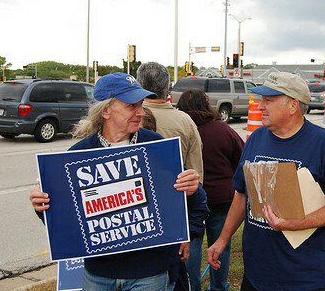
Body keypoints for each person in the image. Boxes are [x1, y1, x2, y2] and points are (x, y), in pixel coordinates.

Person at [29, 73, 204, 291]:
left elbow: (197, 202)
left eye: (140, 105)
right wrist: (42, 205)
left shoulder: (158, 147)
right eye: (132, 106)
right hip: (98, 274)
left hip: (149, 273)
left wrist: (191, 190)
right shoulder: (78, 155)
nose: (141, 112)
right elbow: (64, 219)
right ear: (105, 110)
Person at [206, 71, 325, 290]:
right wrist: (222, 239)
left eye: (268, 101)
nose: (260, 107)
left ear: (293, 105)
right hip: (256, 274)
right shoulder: (256, 139)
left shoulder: (323, 144)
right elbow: (242, 194)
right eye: (261, 101)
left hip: (303, 277)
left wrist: (297, 223)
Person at [177, 89, 245, 291]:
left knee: (191, 248)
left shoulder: (181, 130)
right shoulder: (223, 130)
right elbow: (241, 159)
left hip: (189, 200)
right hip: (221, 199)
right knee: (220, 245)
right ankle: (219, 287)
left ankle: (192, 287)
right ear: (207, 105)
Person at [137, 62, 204, 184]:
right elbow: (195, 174)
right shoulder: (186, 122)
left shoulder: (126, 119)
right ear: (168, 89)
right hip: (175, 196)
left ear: (139, 86)